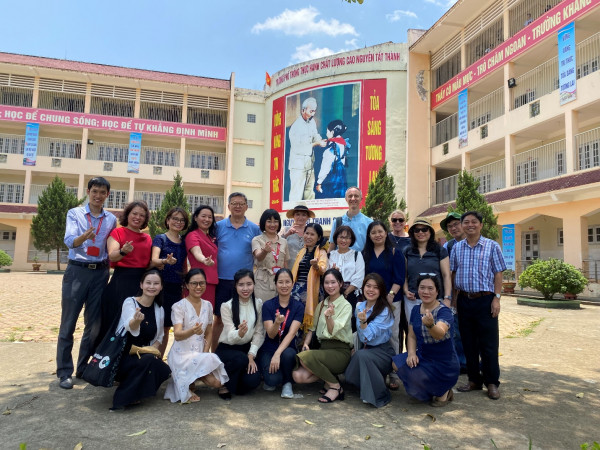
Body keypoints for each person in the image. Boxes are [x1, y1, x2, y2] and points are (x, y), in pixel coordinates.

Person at [57, 177, 117, 389]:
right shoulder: (74, 213)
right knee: (68, 323)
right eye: (95, 191)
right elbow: (69, 241)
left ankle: (83, 368)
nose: (98, 195)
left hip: (100, 273)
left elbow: (111, 245)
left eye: (102, 192)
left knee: (94, 325)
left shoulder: (110, 219)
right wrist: (82, 238)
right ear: (88, 191)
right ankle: (65, 372)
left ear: (107, 195)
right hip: (77, 271)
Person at [451, 211, 506, 400]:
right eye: (466, 222)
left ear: (481, 225)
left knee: (489, 344)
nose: (470, 225)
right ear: (462, 226)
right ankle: (474, 380)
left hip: (485, 300)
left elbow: (498, 273)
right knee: (468, 343)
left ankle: (492, 382)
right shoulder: (457, 248)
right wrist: (453, 301)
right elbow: (453, 274)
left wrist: (497, 298)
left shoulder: (492, 246)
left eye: (474, 222)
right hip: (464, 300)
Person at [392, 274, 459, 407]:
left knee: (420, 377)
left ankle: (444, 391)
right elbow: (411, 335)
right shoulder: (416, 309)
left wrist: (430, 325)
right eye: (422, 288)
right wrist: (411, 353)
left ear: (437, 291)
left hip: (444, 362)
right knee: (396, 364)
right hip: (424, 355)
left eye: (430, 288)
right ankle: (430, 390)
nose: (426, 292)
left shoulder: (444, 311)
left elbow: (439, 334)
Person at [164, 269, 228, 403]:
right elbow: (177, 335)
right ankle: (188, 381)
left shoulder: (208, 305)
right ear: (186, 285)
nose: (198, 287)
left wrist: (204, 355)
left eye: (202, 283)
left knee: (217, 383)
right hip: (181, 354)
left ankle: (192, 379)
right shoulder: (178, 306)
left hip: (199, 352)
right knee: (202, 383)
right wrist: (192, 331)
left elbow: (209, 331)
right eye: (194, 283)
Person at [111, 269, 171, 411]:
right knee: (148, 361)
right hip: (122, 356)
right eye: (148, 283)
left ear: (161, 286)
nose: (152, 286)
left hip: (143, 354)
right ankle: (122, 399)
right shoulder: (130, 302)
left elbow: (160, 336)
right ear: (141, 285)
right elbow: (128, 326)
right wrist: (136, 322)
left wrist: (152, 350)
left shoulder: (159, 309)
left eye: (156, 283)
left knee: (163, 369)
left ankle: (137, 391)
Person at [293, 269, 352, 403]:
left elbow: (332, 331)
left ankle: (335, 387)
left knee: (304, 359)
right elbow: (312, 329)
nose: (330, 286)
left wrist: (329, 317)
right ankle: (330, 379)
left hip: (339, 352)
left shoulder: (346, 306)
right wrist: (306, 343)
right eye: (326, 283)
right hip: (323, 350)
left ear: (341, 284)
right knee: (298, 376)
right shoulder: (321, 305)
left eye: (333, 282)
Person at [98, 200, 152, 347]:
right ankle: (108, 357)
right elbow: (112, 255)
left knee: (137, 321)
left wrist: (164, 262)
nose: (138, 217)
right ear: (127, 214)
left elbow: (148, 263)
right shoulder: (118, 232)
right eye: (134, 213)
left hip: (140, 284)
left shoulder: (147, 238)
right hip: (121, 282)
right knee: (115, 322)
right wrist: (123, 251)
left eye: (142, 215)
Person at [213, 193, 261, 351]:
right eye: (234, 203)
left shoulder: (254, 228)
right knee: (219, 318)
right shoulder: (218, 227)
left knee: (244, 316)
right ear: (228, 206)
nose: (238, 206)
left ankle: (245, 350)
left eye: (241, 204)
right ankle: (215, 353)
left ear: (247, 206)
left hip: (245, 282)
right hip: (222, 279)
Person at [362, 220, 405, 390]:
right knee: (373, 333)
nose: (377, 235)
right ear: (369, 236)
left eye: (380, 231)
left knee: (393, 335)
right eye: (373, 233)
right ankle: (378, 368)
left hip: (391, 300)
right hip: (371, 300)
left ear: (386, 233)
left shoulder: (395, 252)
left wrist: (390, 295)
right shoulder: (365, 253)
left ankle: (393, 372)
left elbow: (399, 278)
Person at [344, 273, 395, 408]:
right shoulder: (360, 306)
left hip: (383, 352)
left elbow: (367, 337)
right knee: (349, 377)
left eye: (376, 287)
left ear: (381, 290)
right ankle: (375, 381)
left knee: (362, 356)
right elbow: (359, 336)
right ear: (363, 287)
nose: (371, 290)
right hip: (365, 349)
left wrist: (363, 322)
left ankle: (379, 394)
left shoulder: (385, 311)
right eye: (368, 286)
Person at [215, 269, 265, 399]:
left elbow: (259, 332)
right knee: (240, 359)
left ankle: (233, 382)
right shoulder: (226, 306)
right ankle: (223, 384)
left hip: (246, 351)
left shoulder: (258, 304)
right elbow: (231, 335)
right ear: (235, 286)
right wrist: (240, 333)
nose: (245, 288)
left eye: (249, 284)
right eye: (241, 284)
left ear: (254, 284)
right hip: (227, 350)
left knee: (253, 381)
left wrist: (251, 354)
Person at [258, 269, 304, 398]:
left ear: (293, 284)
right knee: (272, 380)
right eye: (280, 282)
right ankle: (276, 377)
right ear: (275, 284)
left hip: (286, 348)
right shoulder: (267, 305)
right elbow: (271, 334)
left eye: (287, 282)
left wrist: (277, 354)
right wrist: (277, 323)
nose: (284, 285)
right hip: (269, 348)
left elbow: (291, 334)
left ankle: (287, 383)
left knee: (288, 354)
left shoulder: (298, 306)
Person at [151, 207, 189, 357]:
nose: (178, 222)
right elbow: (153, 260)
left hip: (177, 288)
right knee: (157, 325)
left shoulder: (184, 242)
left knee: (167, 326)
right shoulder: (161, 238)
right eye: (174, 218)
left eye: (181, 220)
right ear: (167, 220)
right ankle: (150, 359)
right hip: (160, 287)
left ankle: (159, 360)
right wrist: (164, 261)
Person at [403, 217, 452, 323]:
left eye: (424, 229)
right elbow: (404, 274)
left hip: (435, 299)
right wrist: (406, 290)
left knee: (434, 331)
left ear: (430, 232)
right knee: (414, 330)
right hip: (413, 299)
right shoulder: (407, 251)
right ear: (412, 233)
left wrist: (447, 298)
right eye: (417, 230)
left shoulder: (440, 250)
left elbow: (446, 275)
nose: (421, 232)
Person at [440, 211, 467, 372]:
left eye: (456, 224)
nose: (454, 228)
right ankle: (461, 363)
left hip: (474, 294)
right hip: (455, 295)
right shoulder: (448, 246)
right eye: (450, 226)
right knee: (456, 330)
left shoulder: (475, 242)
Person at [290, 223, 328, 330]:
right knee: (296, 318)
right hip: (296, 290)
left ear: (319, 237)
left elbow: (323, 270)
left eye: (312, 234)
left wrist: (316, 266)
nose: (308, 236)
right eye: (307, 233)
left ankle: (306, 344)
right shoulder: (301, 251)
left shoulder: (321, 252)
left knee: (310, 322)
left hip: (312, 291)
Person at [287, 97, 326, 201]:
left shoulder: (311, 122)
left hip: (309, 164)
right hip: (298, 166)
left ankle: (310, 216)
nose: (313, 114)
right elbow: (298, 148)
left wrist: (321, 140)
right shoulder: (296, 126)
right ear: (303, 110)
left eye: (314, 111)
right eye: (311, 111)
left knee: (309, 193)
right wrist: (316, 144)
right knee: (297, 194)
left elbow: (315, 135)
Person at [327, 225, 365, 331]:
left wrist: (345, 293)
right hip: (332, 294)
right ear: (336, 238)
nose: (344, 240)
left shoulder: (357, 255)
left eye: (347, 237)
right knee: (333, 319)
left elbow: (359, 276)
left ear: (351, 240)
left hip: (351, 294)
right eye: (341, 237)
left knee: (350, 322)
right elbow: (326, 274)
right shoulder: (330, 255)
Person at [252, 209, 289, 301]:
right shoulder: (257, 240)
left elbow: (285, 263)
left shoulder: (284, 242)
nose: (272, 225)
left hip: (280, 282)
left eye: (275, 221)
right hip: (262, 282)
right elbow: (258, 257)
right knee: (263, 310)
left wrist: (288, 281)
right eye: (269, 221)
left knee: (280, 311)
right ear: (263, 223)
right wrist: (264, 251)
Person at [185, 205, 218, 307]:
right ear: (195, 218)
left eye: (210, 217)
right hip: (198, 282)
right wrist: (204, 260)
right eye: (203, 216)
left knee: (207, 315)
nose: (207, 219)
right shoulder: (193, 235)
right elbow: (197, 252)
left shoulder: (210, 237)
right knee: (194, 315)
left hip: (210, 281)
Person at [329, 187, 373, 252]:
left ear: (361, 199)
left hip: (362, 260)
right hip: (341, 260)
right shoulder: (338, 222)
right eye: (350, 196)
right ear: (346, 199)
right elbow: (332, 247)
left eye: (356, 196)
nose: (353, 198)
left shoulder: (369, 222)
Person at [315, 120, 349, 199]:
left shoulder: (330, 150)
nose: (326, 134)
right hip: (341, 176)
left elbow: (325, 168)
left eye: (327, 131)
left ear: (332, 132)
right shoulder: (343, 144)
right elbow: (343, 161)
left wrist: (319, 183)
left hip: (331, 178)